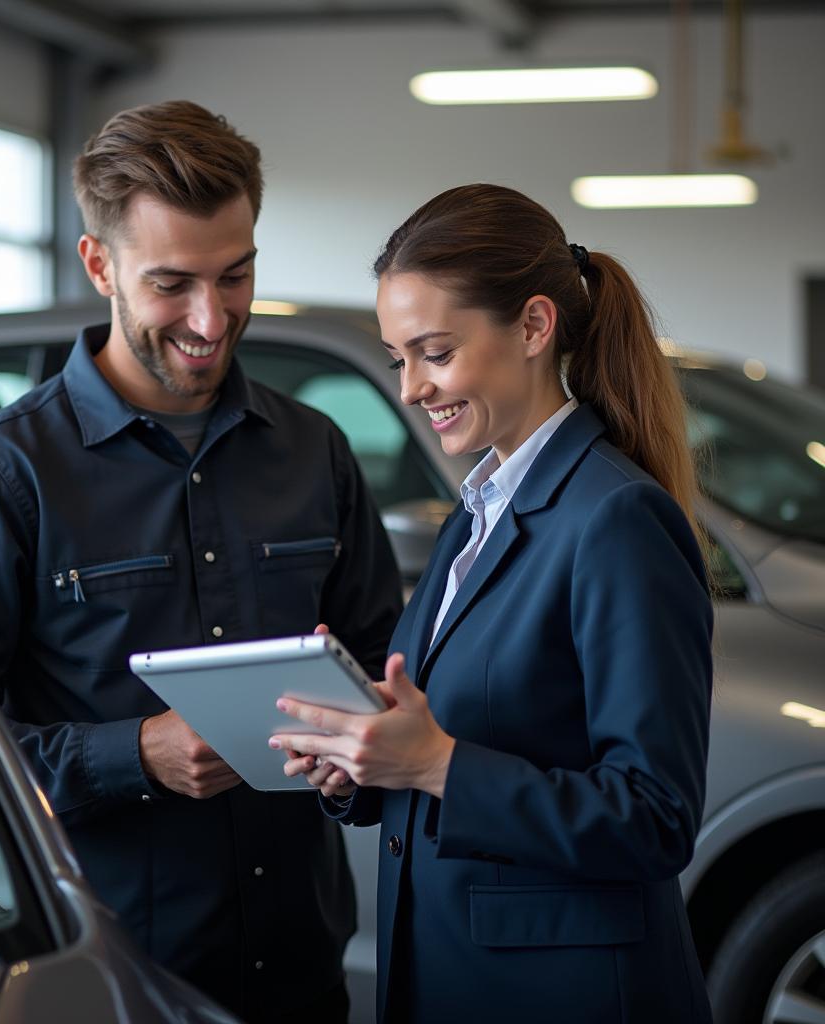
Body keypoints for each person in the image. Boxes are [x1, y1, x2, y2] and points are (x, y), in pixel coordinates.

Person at [0, 100, 403, 1024]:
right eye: (173, 284)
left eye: (234, 275)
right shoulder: (6, 473)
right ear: (99, 263)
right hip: (108, 987)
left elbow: (384, 677)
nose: (211, 318)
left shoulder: (315, 451)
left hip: (300, 975)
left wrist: (358, 756)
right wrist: (136, 756)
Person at [272, 183, 714, 1024]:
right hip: (454, 971)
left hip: (564, 995)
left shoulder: (616, 518)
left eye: (434, 352)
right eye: (399, 356)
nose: (410, 388)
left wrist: (433, 762)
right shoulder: (481, 508)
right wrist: (358, 762)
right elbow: (460, 737)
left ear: (535, 327)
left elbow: (654, 818)